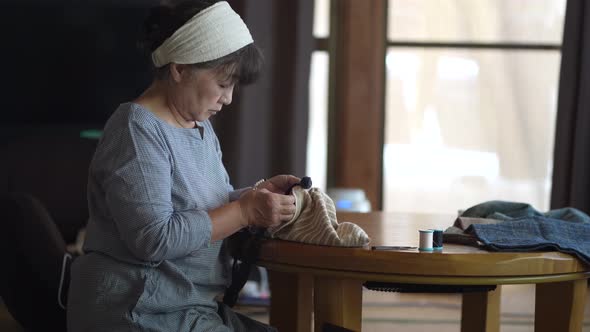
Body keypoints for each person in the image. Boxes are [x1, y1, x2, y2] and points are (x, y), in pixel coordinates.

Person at [66, 1, 299, 331]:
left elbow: (202, 208)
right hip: (137, 312)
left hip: (187, 308)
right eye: (223, 84)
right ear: (180, 69)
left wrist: (254, 197)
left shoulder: (199, 128)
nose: (229, 98)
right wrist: (245, 211)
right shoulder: (136, 129)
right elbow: (155, 238)